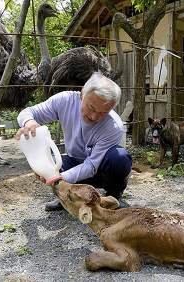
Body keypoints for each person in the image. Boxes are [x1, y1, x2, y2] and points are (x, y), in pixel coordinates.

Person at [16, 72, 132, 211]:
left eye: (103, 113)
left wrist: (59, 179)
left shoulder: (114, 126)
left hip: (100, 170)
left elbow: (91, 166)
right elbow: (27, 112)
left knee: (119, 158)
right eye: (91, 108)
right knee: (49, 161)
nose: (95, 116)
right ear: (82, 93)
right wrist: (29, 122)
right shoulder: (65, 100)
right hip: (73, 161)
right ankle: (66, 198)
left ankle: (114, 197)